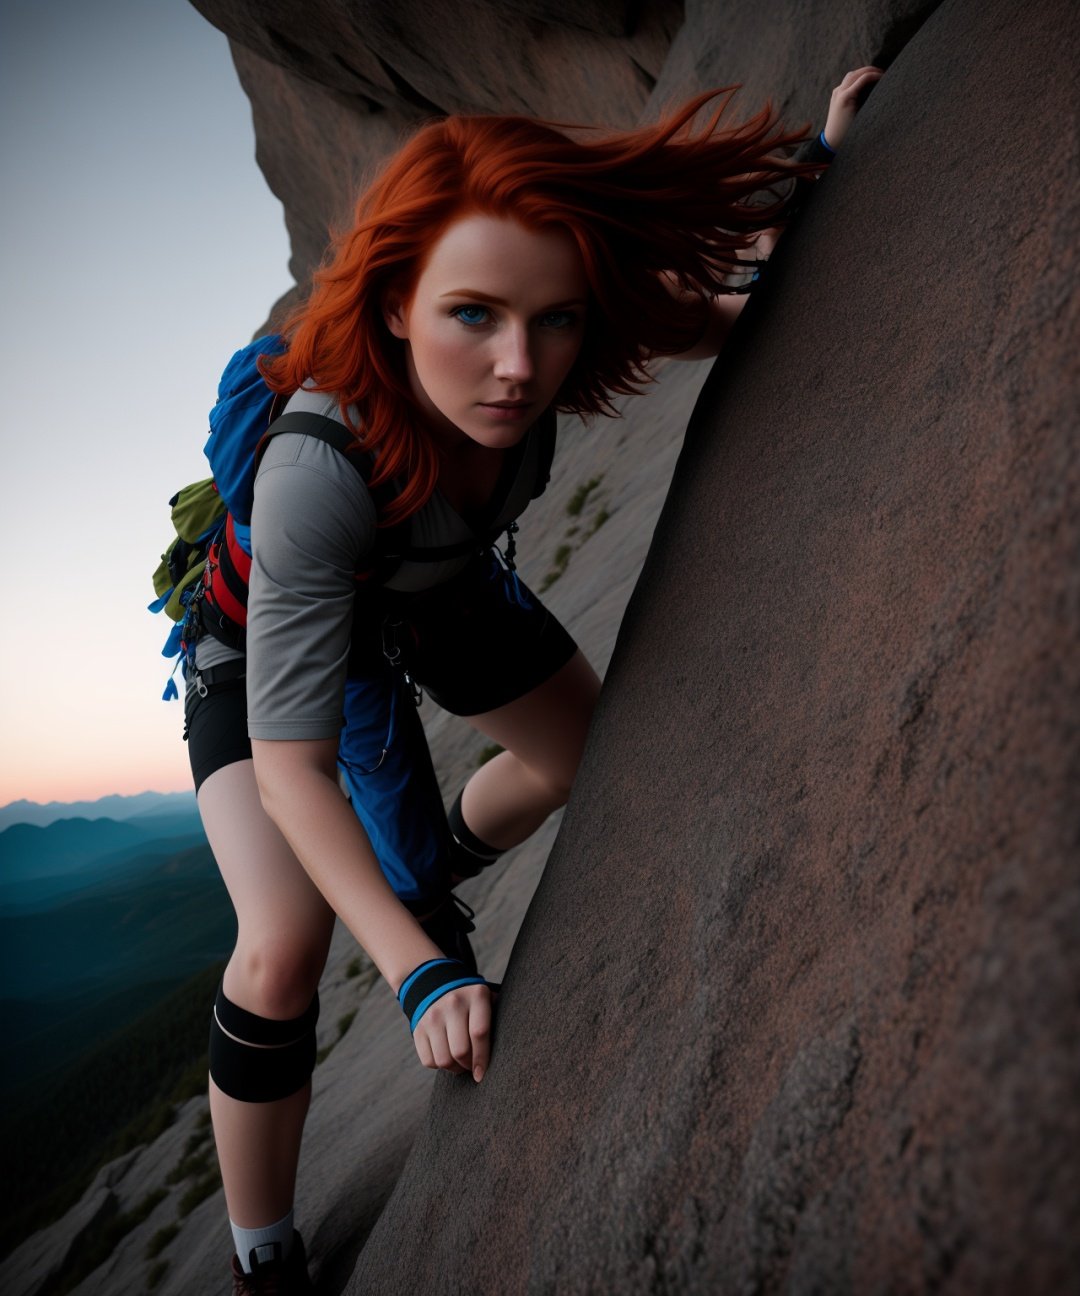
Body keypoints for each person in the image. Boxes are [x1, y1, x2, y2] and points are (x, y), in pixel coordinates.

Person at [182, 65, 883, 1294]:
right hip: (262, 652)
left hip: (431, 585)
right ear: (396, 305)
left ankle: (434, 859)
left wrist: (823, 155)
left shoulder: (557, 326)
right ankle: (262, 1253)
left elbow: (734, 306)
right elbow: (293, 773)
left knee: (586, 755)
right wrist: (421, 972)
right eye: (473, 317)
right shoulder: (314, 471)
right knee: (285, 942)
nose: (519, 365)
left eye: (551, 318)